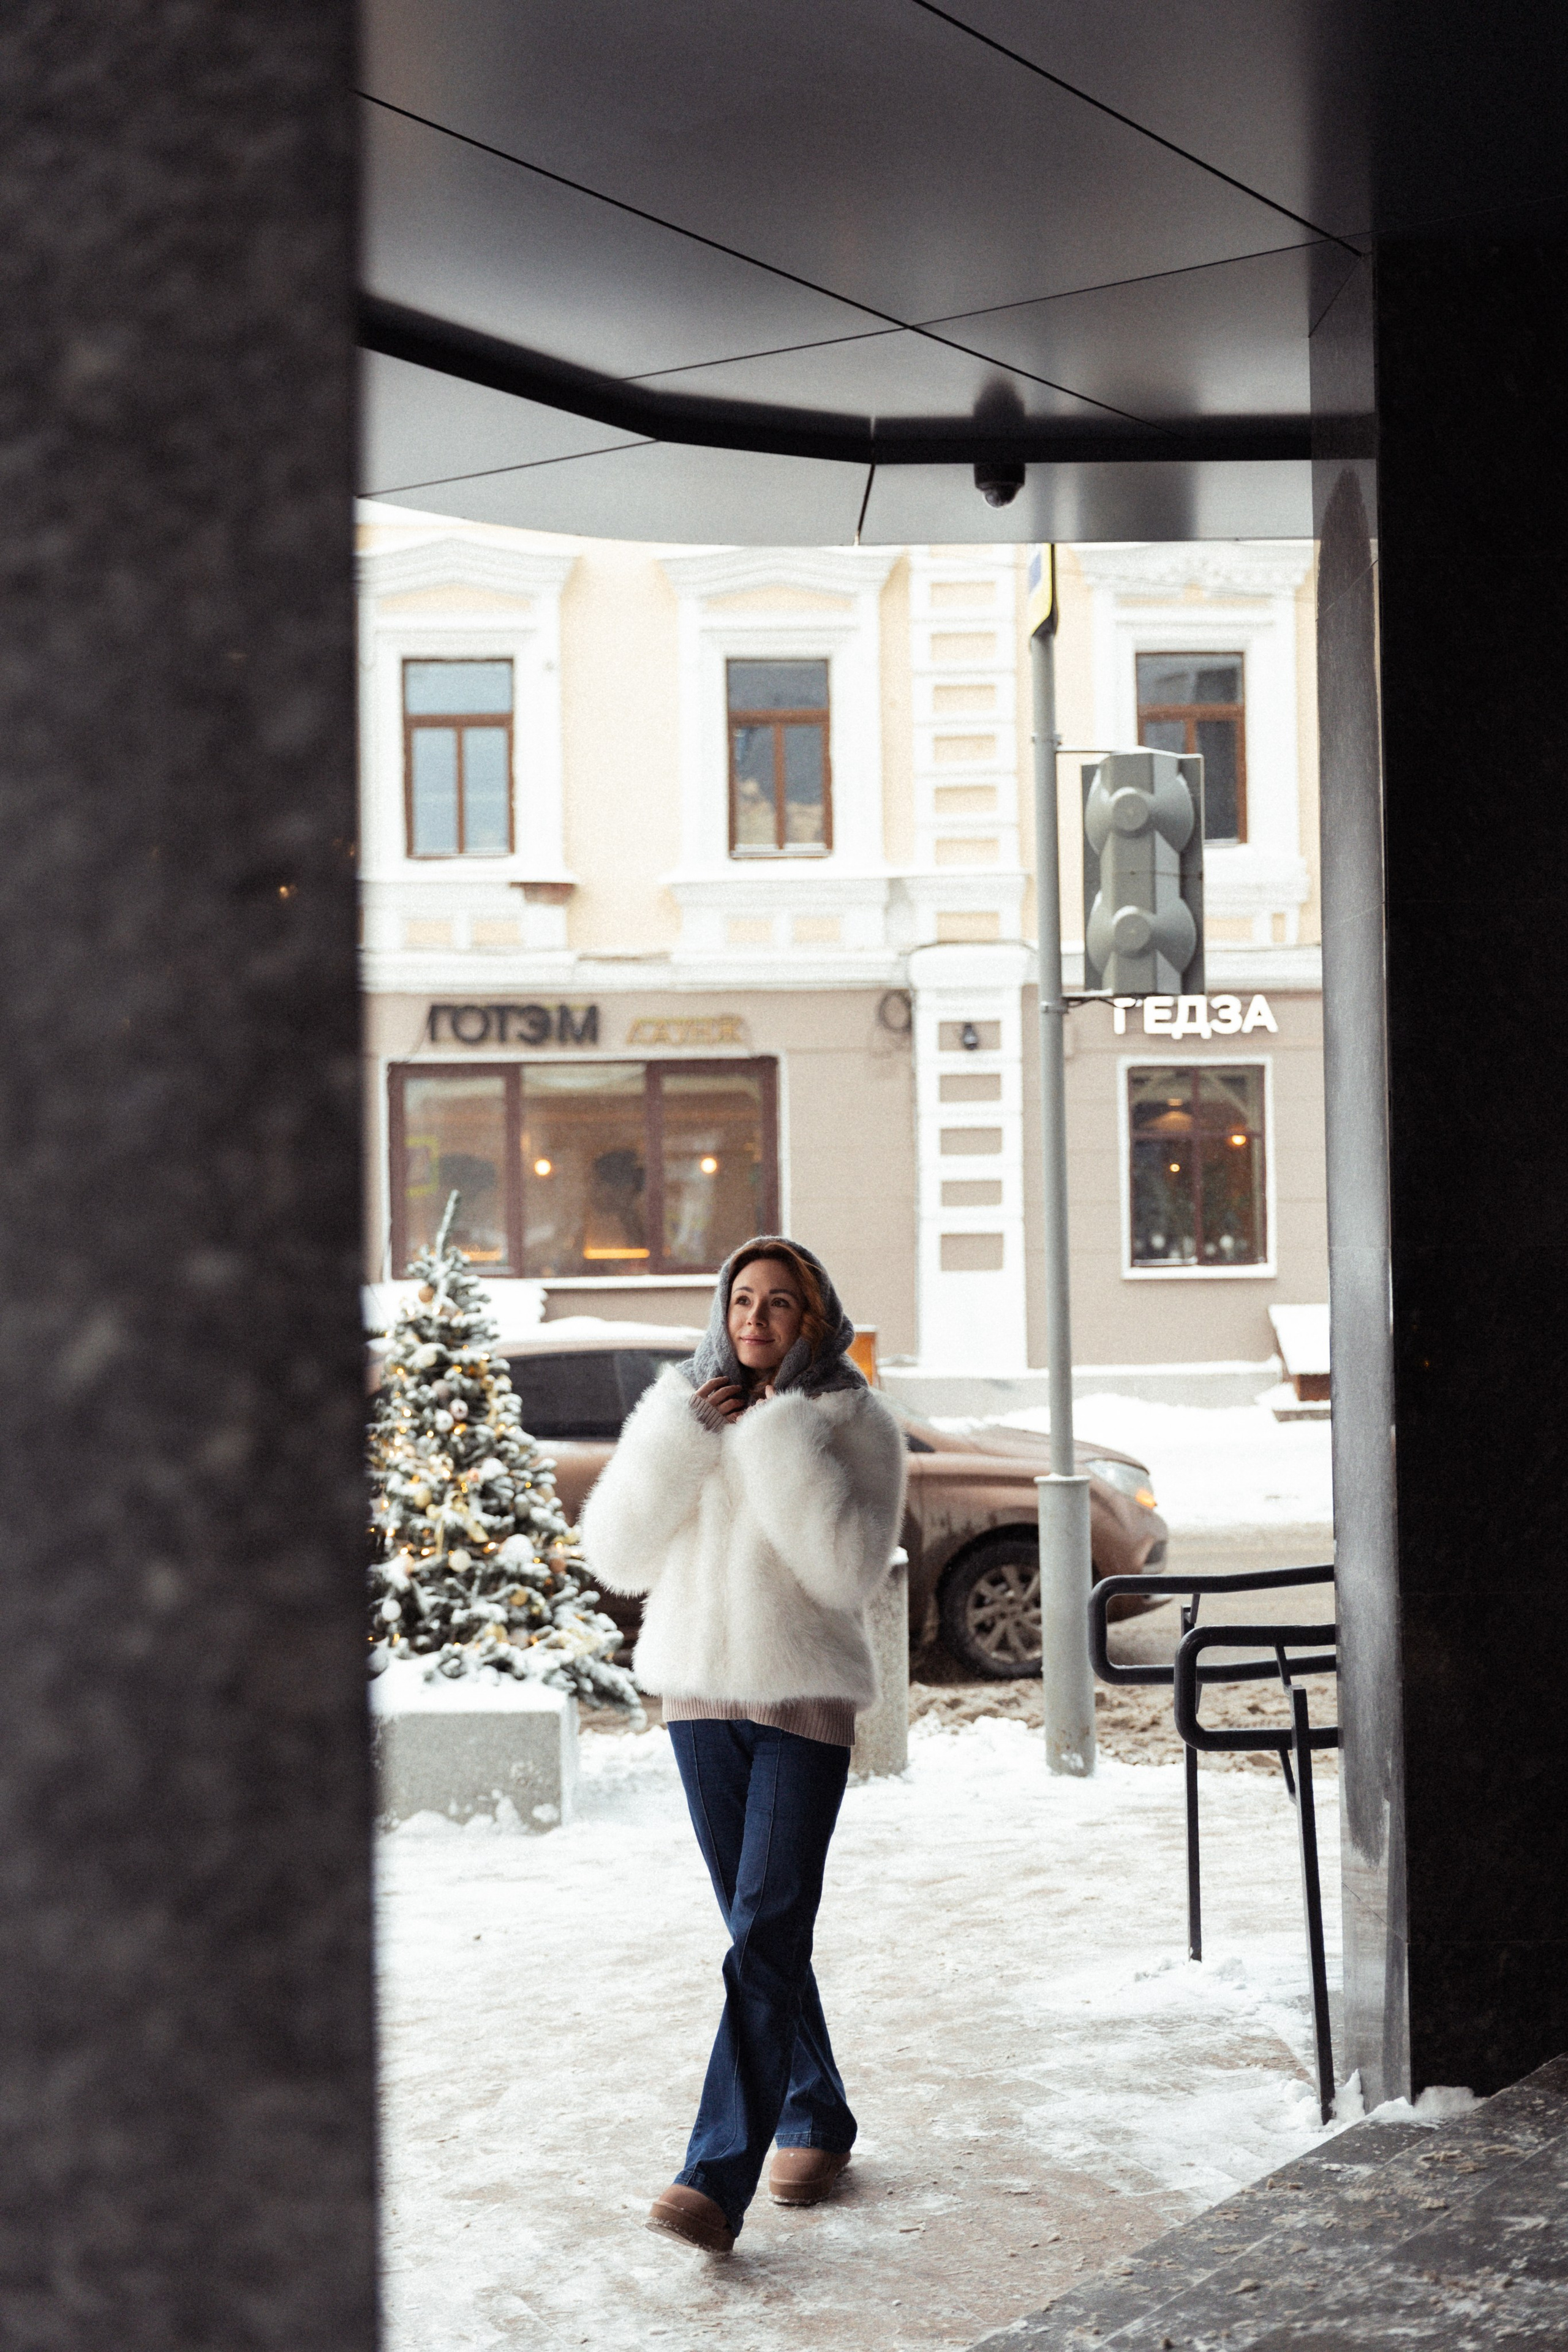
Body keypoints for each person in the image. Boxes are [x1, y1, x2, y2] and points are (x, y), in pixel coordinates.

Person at [580, 1237, 907, 2255]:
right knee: (758, 1928)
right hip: (699, 1694)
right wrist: (684, 1437)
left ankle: (714, 2179)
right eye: (741, 1301)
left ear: (815, 1320)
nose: (755, 1320)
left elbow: (847, 1569)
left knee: (767, 1927)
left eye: (779, 1305)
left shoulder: (856, 1420)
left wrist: (777, 1439)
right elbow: (618, 1556)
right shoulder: (680, 1409)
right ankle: (816, 2110)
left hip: (802, 1700)